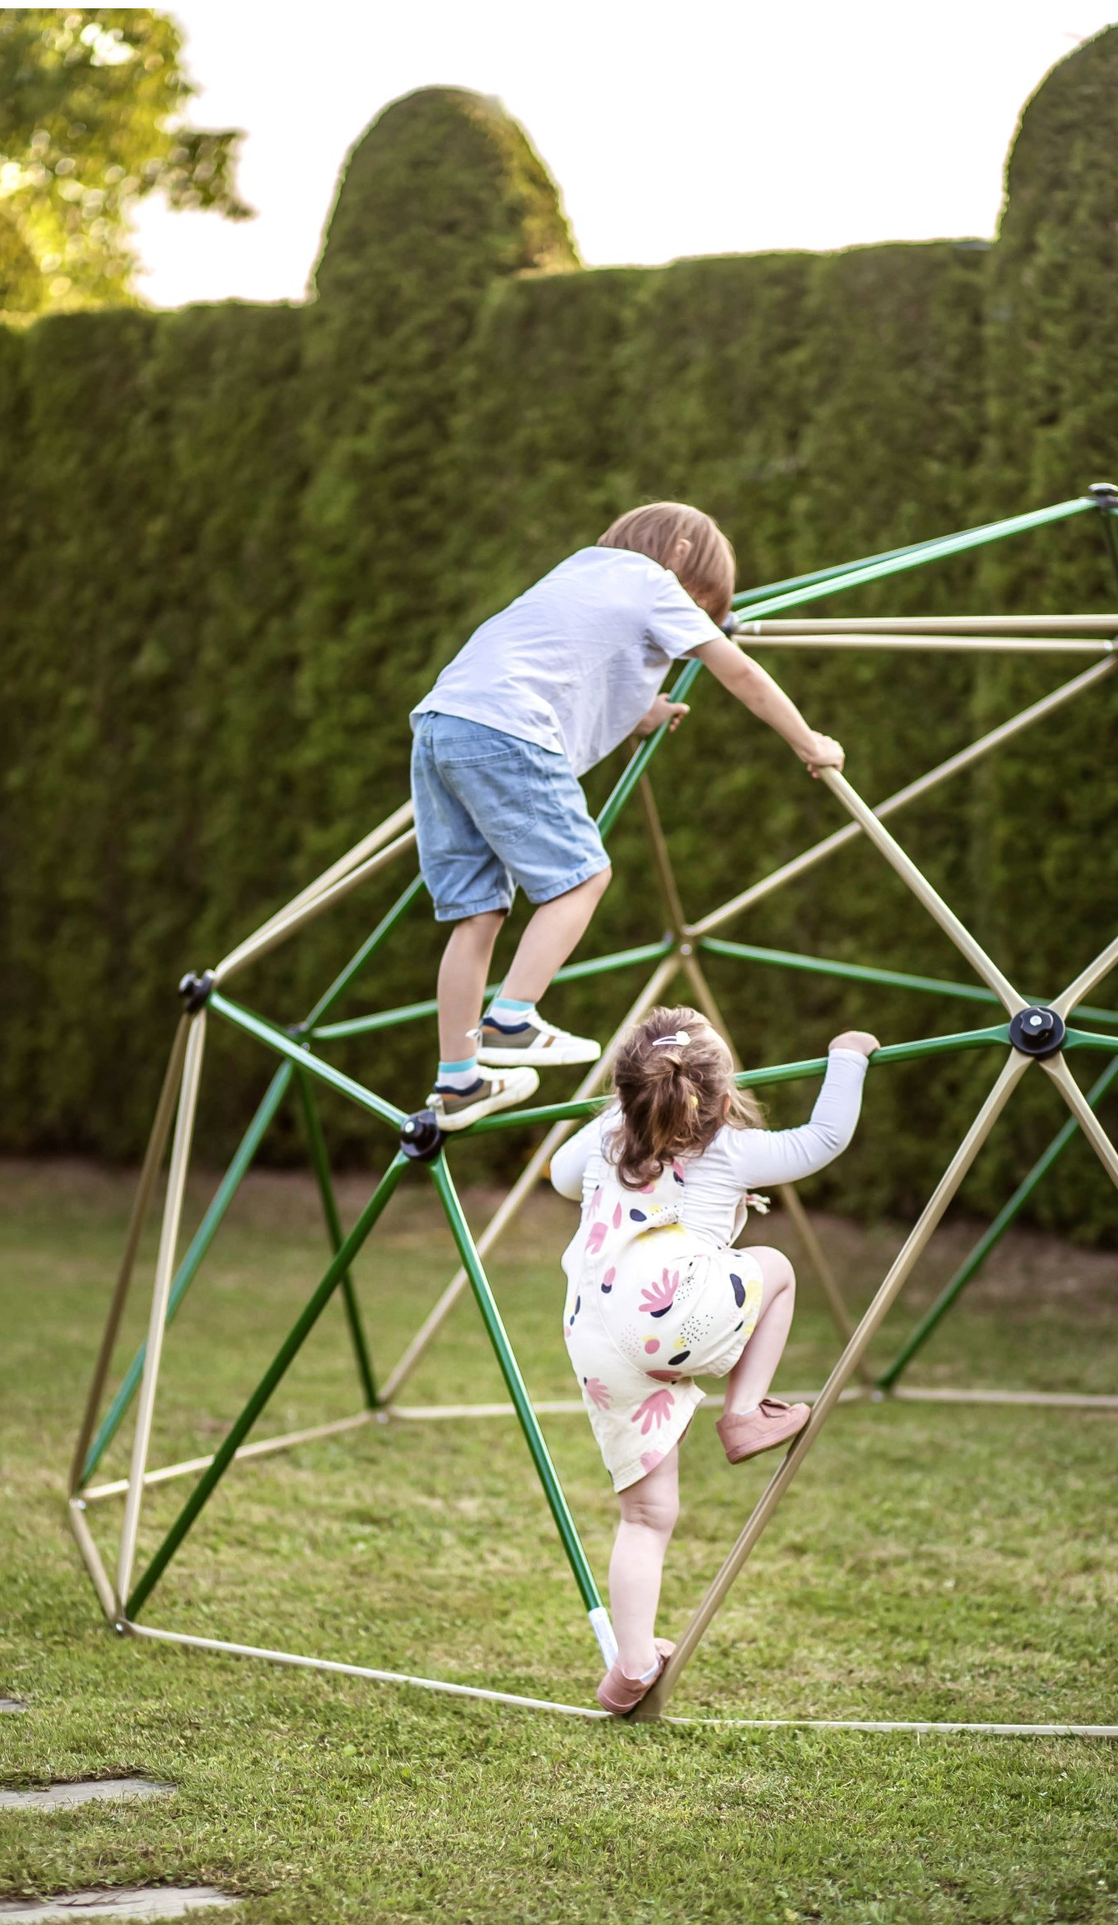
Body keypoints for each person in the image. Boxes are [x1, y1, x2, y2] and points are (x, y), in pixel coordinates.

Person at [409, 502, 846, 1132]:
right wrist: (809, 742)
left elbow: (579, 658)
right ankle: (511, 1018)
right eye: (701, 606)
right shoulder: (652, 581)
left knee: (477, 914)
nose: (694, 624)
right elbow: (738, 670)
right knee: (582, 878)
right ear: (680, 554)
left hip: (439, 726)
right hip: (508, 730)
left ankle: (459, 1081)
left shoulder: (580, 571)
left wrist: (640, 712)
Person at [549, 1004, 878, 1714]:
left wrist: (615, 1111)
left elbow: (556, 1175)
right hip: (673, 1315)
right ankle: (743, 1412)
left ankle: (630, 1665)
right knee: (776, 1268)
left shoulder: (610, 1133)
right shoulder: (729, 1146)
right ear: (722, 1097)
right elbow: (824, 1137)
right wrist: (846, 1054)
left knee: (644, 1514)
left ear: (629, 1092)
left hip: (597, 1337)